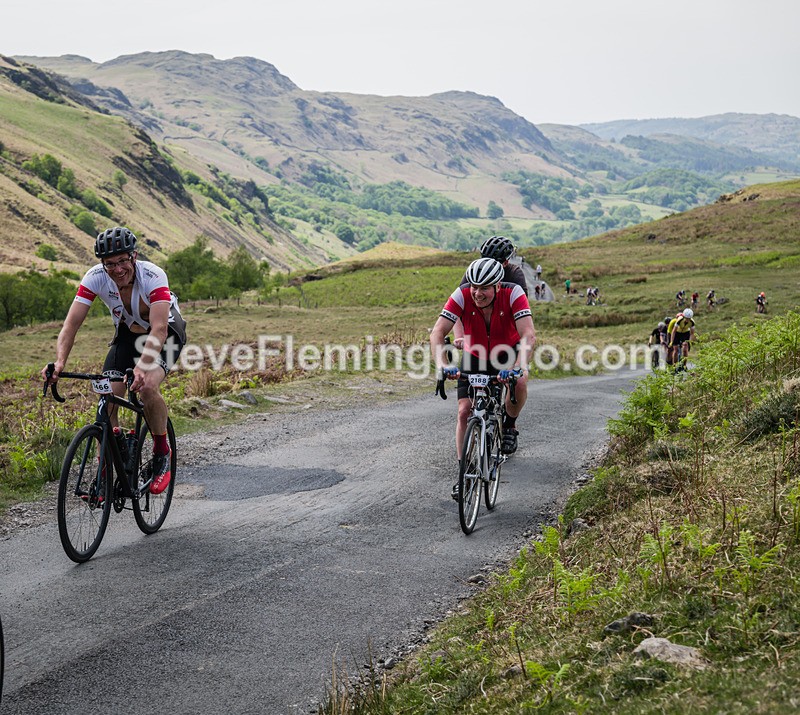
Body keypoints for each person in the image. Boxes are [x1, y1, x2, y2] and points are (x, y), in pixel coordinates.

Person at [42, 227, 187, 495]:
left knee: (146, 387)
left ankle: (161, 453)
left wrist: (143, 367)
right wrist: (59, 362)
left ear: (134, 256)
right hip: (127, 336)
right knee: (106, 398)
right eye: (110, 264)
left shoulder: (154, 276)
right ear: (102, 265)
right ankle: (107, 469)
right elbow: (71, 325)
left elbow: (158, 330)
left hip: (165, 335)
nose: (117, 269)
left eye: (122, 261)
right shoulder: (95, 278)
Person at [431, 258, 535, 498]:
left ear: (497, 285)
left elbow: (528, 335)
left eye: (484, 288)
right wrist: (442, 364)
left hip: (505, 354)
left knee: (519, 382)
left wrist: (519, 365)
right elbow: (438, 331)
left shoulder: (513, 294)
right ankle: (463, 473)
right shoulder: (462, 294)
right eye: (474, 287)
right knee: (464, 411)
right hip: (474, 354)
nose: (477, 293)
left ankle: (508, 425)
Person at [453, 235, 527, 349]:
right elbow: (458, 306)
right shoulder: (475, 271)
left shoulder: (514, 274)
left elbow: (522, 310)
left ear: (505, 263)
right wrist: (459, 336)